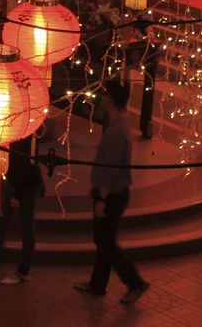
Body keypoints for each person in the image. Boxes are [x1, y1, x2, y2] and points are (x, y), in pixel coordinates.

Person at [74, 81, 149, 305]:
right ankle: (98, 284)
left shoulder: (117, 132)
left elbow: (110, 168)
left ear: (110, 102)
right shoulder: (121, 127)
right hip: (112, 192)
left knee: (105, 241)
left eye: (106, 96)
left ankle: (134, 282)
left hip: (112, 194)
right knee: (103, 240)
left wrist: (102, 198)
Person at [0, 131, 45, 284]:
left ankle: (23, 272)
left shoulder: (24, 132)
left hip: (26, 187)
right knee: (2, 219)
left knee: (26, 227)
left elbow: (23, 165)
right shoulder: (21, 130)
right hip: (17, 183)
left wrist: (17, 195)